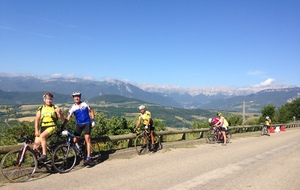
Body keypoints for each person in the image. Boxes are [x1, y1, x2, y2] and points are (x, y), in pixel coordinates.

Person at [61, 91, 95, 165]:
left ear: (80, 97)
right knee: (75, 139)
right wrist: (62, 126)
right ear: (73, 98)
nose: (77, 98)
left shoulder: (85, 104)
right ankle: (82, 149)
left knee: (87, 138)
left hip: (87, 123)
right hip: (79, 124)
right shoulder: (73, 107)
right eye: (75, 97)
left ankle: (88, 157)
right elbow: (68, 118)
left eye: (78, 96)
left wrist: (93, 120)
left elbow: (92, 110)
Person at [33, 92, 64, 161]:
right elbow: (37, 120)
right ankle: (37, 161)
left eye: (50, 99)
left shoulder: (55, 107)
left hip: (52, 126)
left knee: (42, 136)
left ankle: (44, 154)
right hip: (43, 126)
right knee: (36, 145)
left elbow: (62, 118)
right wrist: (36, 130)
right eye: (47, 99)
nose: (49, 100)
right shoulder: (41, 108)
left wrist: (59, 113)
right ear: (44, 100)